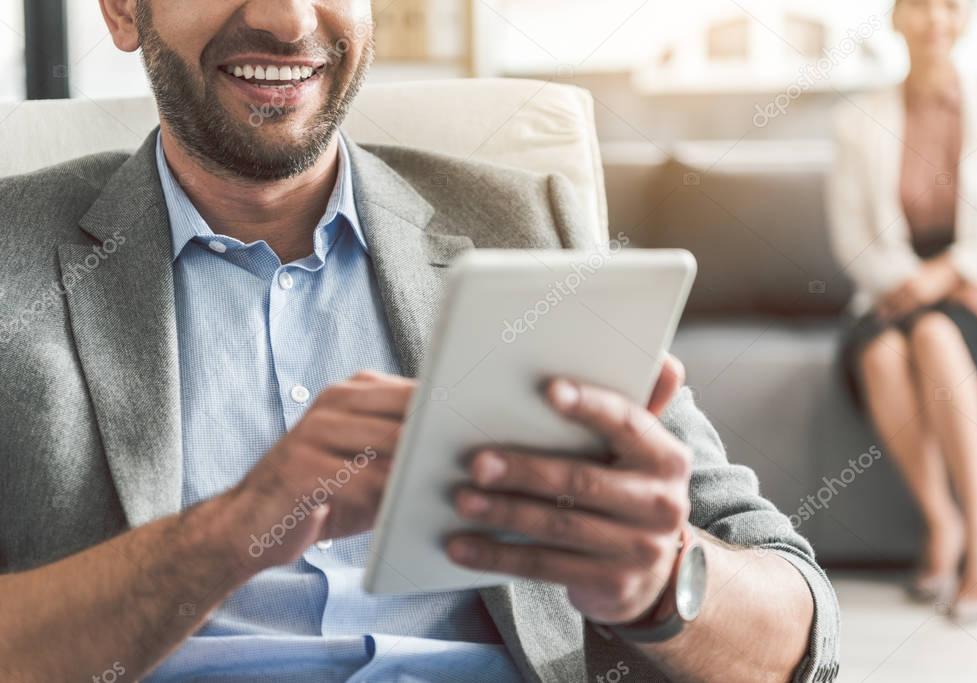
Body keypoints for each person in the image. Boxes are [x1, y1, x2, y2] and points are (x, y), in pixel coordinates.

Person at [0, 1, 838, 681]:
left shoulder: (529, 230)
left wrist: (664, 580)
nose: (288, 21)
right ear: (119, 10)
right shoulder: (15, 253)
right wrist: (226, 533)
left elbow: (800, 632)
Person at [829, 0, 977, 623]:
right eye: (920, 4)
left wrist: (956, 271)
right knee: (883, 351)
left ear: (966, 19)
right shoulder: (857, 118)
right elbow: (852, 235)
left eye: (952, 5)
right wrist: (918, 281)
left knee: (937, 333)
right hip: (892, 285)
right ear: (895, 17)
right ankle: (944, 525)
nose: (936, 18)